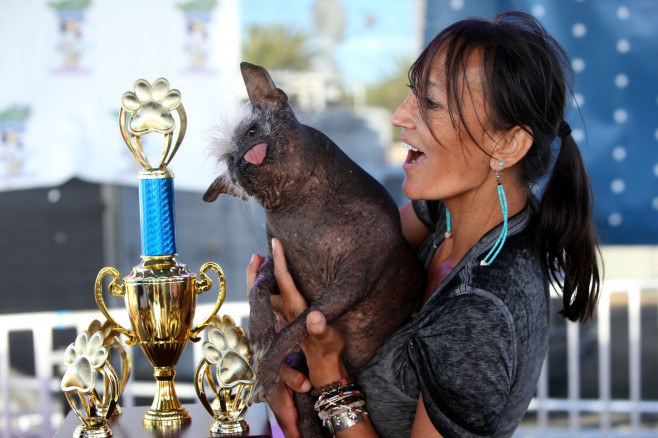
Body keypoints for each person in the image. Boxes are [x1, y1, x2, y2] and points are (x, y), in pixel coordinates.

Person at [246, 11, 601, 438]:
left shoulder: (480, 313)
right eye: (411, 95)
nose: (400, 116)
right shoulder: (444, 215)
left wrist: (324, 367)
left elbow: (321, 315)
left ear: (507, 143)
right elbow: (346, 254)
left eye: (430, 103)